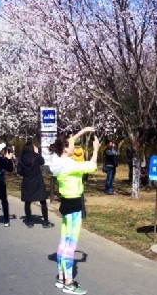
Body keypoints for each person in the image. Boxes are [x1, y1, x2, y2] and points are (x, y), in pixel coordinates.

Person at [49, 126, 99, 295]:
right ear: (65, 149)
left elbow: (69, 141)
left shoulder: (57, 162)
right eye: (70, 146)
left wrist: (83, 131)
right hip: (74, 206)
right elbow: (92, 166)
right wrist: (96, 149)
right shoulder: (70, 165)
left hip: (65, 205)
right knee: (70, 245)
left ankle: (61, 277)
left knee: (63, 241)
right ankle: (69, 283)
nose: (74, 147)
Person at [17, 139, 51, 228]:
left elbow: (19, 171)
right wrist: (37, 152)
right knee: (42, 201)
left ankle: (29, 221)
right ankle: (46, 221)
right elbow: (42, 161)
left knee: (27, 202)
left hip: (27, 182)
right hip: (38, 182)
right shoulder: (36, 157)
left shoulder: (21, 159)